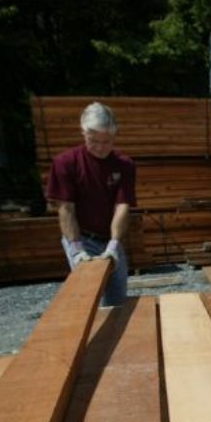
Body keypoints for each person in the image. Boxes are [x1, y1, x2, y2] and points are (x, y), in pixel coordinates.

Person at [46, 101, 136, 306]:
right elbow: (66, 209)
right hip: (82, 237)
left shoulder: (124, 165)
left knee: (117, 296)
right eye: (94, 140)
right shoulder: (66, 163)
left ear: (114, 136)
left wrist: (113, 245)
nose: (101, 147)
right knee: (87, 295)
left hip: (109, 238)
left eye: (107, 141)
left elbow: (122, 206)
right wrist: (77, 249)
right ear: (83, 133)